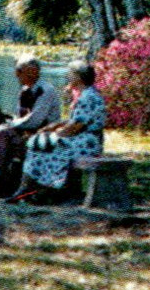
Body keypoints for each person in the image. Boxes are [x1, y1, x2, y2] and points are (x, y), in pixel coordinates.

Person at [13, 61, 106, 203]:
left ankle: (41, 190)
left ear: (79, 77)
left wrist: (55, 135)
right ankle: (30, 189)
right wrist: (53, 127)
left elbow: (76, 126)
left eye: (71, 75)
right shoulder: (85, 94)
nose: (68, 78)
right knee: (39, 147)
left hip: (87, 142)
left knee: (46, 146)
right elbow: (74, 120)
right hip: (81, 138)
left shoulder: (88, 97)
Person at [0, 53, 60, 198]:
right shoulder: (24, 91)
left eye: (20, 71)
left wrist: (11, 125)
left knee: (3, 132)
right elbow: (20, 117)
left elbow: (35, 120)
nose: (17, 75)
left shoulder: (45, 91)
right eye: (17, 71)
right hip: (26, 130)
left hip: (42, 132)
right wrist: (10, 123)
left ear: (33, 72)